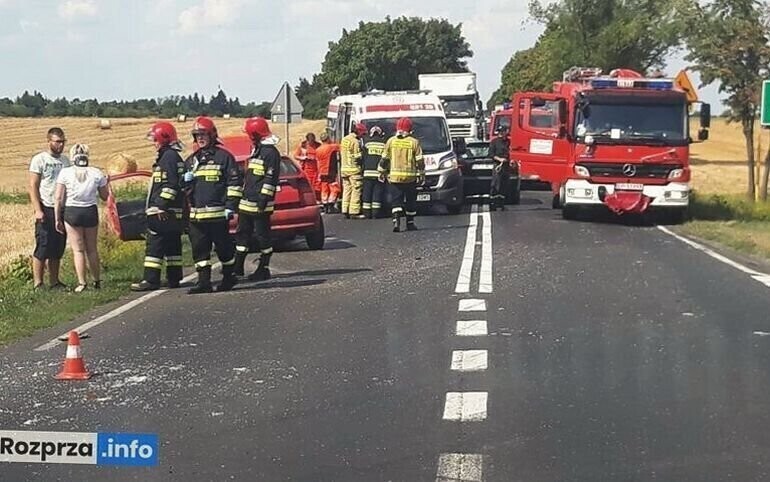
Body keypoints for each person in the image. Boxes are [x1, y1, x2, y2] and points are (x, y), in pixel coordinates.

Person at [183, 116, 242, 294]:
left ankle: (229, 277)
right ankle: (203, 282)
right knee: (199, 250)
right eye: (197, 135)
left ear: (212, 135)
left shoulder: (224, 157)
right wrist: (185, 181)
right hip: (197, 216)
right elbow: (184, 188)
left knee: (224, 248)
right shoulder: (192, 160)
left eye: (203, 135)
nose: (200, 138)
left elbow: (234, 183)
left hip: (218, 215)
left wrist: (231, 205)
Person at [131, 122, 186, 292]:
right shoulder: (172, 156)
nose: (153, 143)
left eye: (155, 139)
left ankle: (151, 279)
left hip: (164, 211)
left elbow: (170, 185)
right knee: (172, 244)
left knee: (155, 244)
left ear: (163, 138)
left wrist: (161, 206)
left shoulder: (168, 157)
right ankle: (174, 277)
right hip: (173, 211)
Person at [54, 144, 109, 293]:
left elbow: (58, 197)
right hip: (90, 210)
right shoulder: (97, 173)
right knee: (92, 249)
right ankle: (97, 281)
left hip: (72, 212)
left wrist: (57, 218)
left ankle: (82, 283)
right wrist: (107, 183)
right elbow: (105, 196)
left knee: (78, 250)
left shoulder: (65, 173)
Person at [234, 117, 281, 281]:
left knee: (263, 237)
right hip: (247, 203)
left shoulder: (270, 153)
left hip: (260, 205)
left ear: (255, 134)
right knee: (242, 235)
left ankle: (264, 268)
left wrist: (263, 199)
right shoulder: (258, 150)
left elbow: (270, 179)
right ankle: (237, 267)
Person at [28, 127, 70, 290]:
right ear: (49, 141)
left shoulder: (66, 161)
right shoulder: (40, 160)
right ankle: (38, 283)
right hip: (46, 206)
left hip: (61, 208)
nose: (60, 145)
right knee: (43, 245)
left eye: (62, 142)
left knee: (58, 245)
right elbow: (33, 186)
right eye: (57, 142)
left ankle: (54, 281)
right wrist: (38, 209)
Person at [379, 117, 425, 232]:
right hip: (410, 178)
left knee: (396, 200)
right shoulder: (414, 142)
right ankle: (410, 223)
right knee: (410, 200)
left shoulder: (391, 141)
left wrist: (381, 172)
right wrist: (422, 174)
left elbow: (384, 159)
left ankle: (396, 222)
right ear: (410, 129)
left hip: (394, 178)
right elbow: (420, 161)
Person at [340, 122, 368, 219]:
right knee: (356, 190)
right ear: (358, 132)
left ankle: (345, 209)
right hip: (354, 170)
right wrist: (364, 153)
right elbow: (357, 157)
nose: (362, 136)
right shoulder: (355, 142)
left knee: (347, 190)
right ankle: (354, 212)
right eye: (362, 134)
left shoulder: (344, 139)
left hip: (344, 169)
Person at [362, 125, 387, 219]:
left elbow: (362, 157)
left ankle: (367, 213)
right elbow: (386, 159)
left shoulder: (367, 144)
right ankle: (376, 213)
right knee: (377, 193)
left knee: (367, 193)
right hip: (379, 174)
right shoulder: (384, 144)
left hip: (367, 173)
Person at [316, 132, 341, 214]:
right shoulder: (331, 147)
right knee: (334, 188)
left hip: (321, 171)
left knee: (324, 188)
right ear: (328, 139)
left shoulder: (318, 150)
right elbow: (341, 147)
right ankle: (331, 204)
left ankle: (325, 204)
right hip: (330, 171)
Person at [489, 125, 511, 211]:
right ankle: (493, 203)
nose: (501, 133)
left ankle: (501, 203)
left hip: (506, 165)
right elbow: (491, 154)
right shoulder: (494, 142)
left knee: (504, 184)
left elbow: (511, 152)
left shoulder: (508, 142)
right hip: (497, 165)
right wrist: (499, 159)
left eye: (503, 131)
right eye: (500, 132)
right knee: (496, 184)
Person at [293, 133, 321, 198]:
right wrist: (303, 158)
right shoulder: (303, 146)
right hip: (306, 168)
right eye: (311, 141)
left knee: (317, 184)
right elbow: (295, 156)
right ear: (307, 140)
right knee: (308, 184)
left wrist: (316, 158)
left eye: (313, 141)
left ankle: (317, 198)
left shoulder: (318, 145)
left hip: (316, 168)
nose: (312, 143)